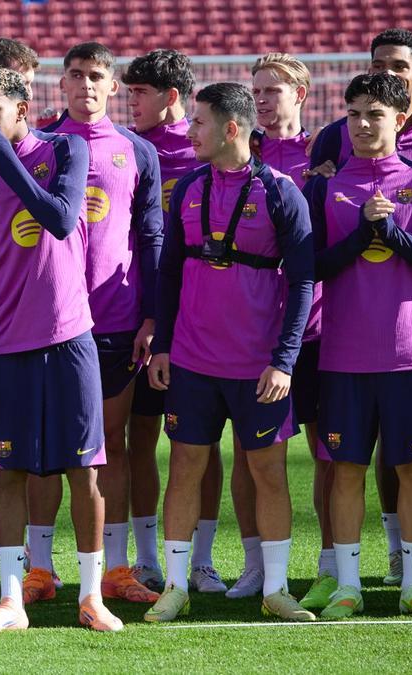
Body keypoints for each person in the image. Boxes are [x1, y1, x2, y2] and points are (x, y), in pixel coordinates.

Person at [0, 67, 123, 632]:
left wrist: (3, 158)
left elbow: (59, 218)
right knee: (9, 472)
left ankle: (91, 596)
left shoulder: (66, 150)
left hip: (69, 337)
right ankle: (11, 601)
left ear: (22, 111)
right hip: (5, 347)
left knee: (84, 472)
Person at [145, 82, 315, 623]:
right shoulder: (190, 187)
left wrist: (284, 360)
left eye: (199, 123)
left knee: (268, 472)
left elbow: (304, 284)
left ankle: (276, 589)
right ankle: (175, 586)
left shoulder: (282, 191)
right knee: (186, 468)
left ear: (231, 129)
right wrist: (165, 347)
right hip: (192, 361)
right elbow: (169, 272)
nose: (190, 131)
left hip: (258, 366)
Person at [307, 28, 412, 587]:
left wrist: (392, 234)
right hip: (344, 355)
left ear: (401, 118)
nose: (361, 123)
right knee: (346, 472)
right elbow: (311, 268)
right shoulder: (326, 187)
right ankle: (349, 587)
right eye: (354, 112)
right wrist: (362, 236)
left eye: (374, 113)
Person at [41, 42, 163, 605]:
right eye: (75, 75)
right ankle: (40, 570)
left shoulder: (137, 150)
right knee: (44, 446)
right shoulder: (40, 146)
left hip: (116, 320)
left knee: (107, 444)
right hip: (48, 320)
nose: (85, 84)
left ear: (112, 86)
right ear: (60, 84)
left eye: (96, 76)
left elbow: (151, 236)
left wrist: (152, 312)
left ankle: (115, 570)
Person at [121, 48, 227, 594]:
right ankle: (145, 560)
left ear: (172, 98)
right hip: (137, 320)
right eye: (129, 91)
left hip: (201, 324)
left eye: (139, 92)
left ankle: (203, 560)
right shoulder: (126, 151)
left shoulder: (202, 150)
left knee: (200, 446)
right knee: (138, 440)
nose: (128, 101)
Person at [243, 52, 330, 606]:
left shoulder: (321, 156)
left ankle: (327, 561)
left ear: (300, 95)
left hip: (314, 327)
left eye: (273, 90)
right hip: (251, 332)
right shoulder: (242, 153)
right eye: (257, 91)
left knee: (328, 450)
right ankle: (255, 564)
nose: (262, 99)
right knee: (250, 454)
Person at [309, 29, 412, 173]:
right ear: (369, 72)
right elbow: (318, 190)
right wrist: (318, 180)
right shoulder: (334, 135)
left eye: (399, 66)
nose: (388, 74)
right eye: (379, 66)